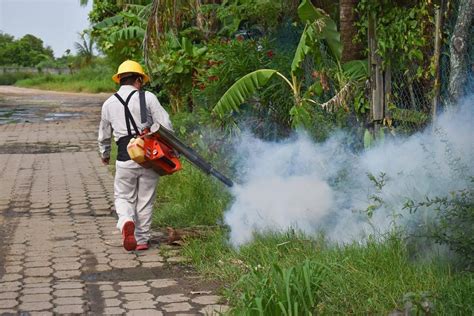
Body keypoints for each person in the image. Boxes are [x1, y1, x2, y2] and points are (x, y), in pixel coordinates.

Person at [98, 60, 172, 251]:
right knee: (145, 199)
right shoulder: (147, 97)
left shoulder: (108, 103)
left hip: (124, 157)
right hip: (148, 156)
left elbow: (104, 135)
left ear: (120, 80)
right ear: (138, 79)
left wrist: (105, 154)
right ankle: (141, 240)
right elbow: (166, 124)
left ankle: (126, 221)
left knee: (123, 197)